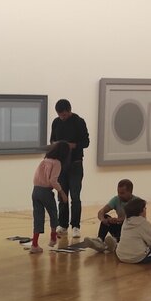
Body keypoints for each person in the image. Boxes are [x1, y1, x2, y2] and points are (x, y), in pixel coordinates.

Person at [49, 99, 90, 239]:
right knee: (62, 195)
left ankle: (76, 226)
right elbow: (52, 139)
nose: (62, 117)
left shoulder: (79, 122)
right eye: (60, 115)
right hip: (60, 164)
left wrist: (73, 145)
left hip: (75, 163)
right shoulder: (56, 122)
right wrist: (56, 144)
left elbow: (86, 142)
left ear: (69, 110)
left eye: (64, 115)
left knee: (75, 196)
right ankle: (63, 225)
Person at [29, 143, 69, 253]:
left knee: (38, 217)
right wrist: (62, 192)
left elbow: (36, 176)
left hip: (35, 191)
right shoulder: (57, 163)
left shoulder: (45, 160)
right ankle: (53, 237)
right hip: (46, 192)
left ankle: (34, 244)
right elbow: (53, 180)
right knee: (53, 213)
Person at [83, 179, 138, 253]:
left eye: (122, 193)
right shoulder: (116, 199)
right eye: (118, 192)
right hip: (120, 226)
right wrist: (103, 219)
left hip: (131, 229)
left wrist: (118, 220)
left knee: (127, 225)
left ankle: (116, 241)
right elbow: (101, 212)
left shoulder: (137, 202)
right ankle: (100, 240)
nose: (119, 195)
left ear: (130, 192)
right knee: (106, 216)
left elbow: (136, 219)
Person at [116, 198, 151, 264]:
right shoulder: (143, 223)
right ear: (141, 210)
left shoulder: (126, 221)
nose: (146, 210)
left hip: (120, 255)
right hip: (136, 257)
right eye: (145, 208)